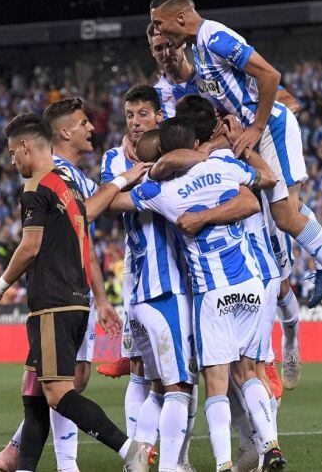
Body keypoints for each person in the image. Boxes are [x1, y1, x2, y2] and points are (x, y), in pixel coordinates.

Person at [148, 0, 322, 329]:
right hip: (256, 132)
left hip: (270, 129)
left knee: (283, 216)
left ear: (180, 17)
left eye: (159, 23)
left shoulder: (216, 37)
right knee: (287, 211)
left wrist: (256, 126)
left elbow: (270, 76)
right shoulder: (201, 49)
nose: (159, 31)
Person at [108, 117, 285, 471]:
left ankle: (220, 463)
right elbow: (266, 181)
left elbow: (114, 202)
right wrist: (243, 149)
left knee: (211, 384)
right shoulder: (222, 165)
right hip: (252, 279)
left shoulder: (162, 192)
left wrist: (139, 173)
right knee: (250, 372)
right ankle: (270, 446)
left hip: (209, 290)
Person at [0, 113, 149, 472]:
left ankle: (130, 450)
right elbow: (84, 241)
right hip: (72, 301)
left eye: (13, 153)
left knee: (58, 393)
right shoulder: (67, 187)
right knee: (34, 394)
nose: (12, 161)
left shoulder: (36, 187)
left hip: (52, 304)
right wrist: (97, 298)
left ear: (26, 146)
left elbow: (30, 245)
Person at [98, 85, 198, 472]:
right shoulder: (113, 159)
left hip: (157, 289)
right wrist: (136, 174)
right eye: (130, 115)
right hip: (160, 287)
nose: (136, 122)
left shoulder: (174, 152)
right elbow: (109, 200)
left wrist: (151, 168)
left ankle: (146, 458)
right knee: (169, 382)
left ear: (160, 115)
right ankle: (166, 463)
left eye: (143, 114)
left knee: (157, 379)